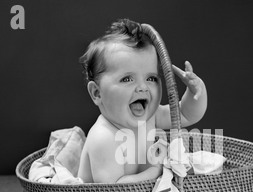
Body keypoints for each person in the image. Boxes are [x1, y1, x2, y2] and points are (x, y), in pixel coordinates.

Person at [78, 18, 207, 183]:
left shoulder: (149, 117)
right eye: (127, 79)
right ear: (97, 93)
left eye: (151, 78)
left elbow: (185, 114)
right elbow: (112, 191)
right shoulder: (103, 137)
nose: (143, 87)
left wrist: (196, 92)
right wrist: (156, 171)